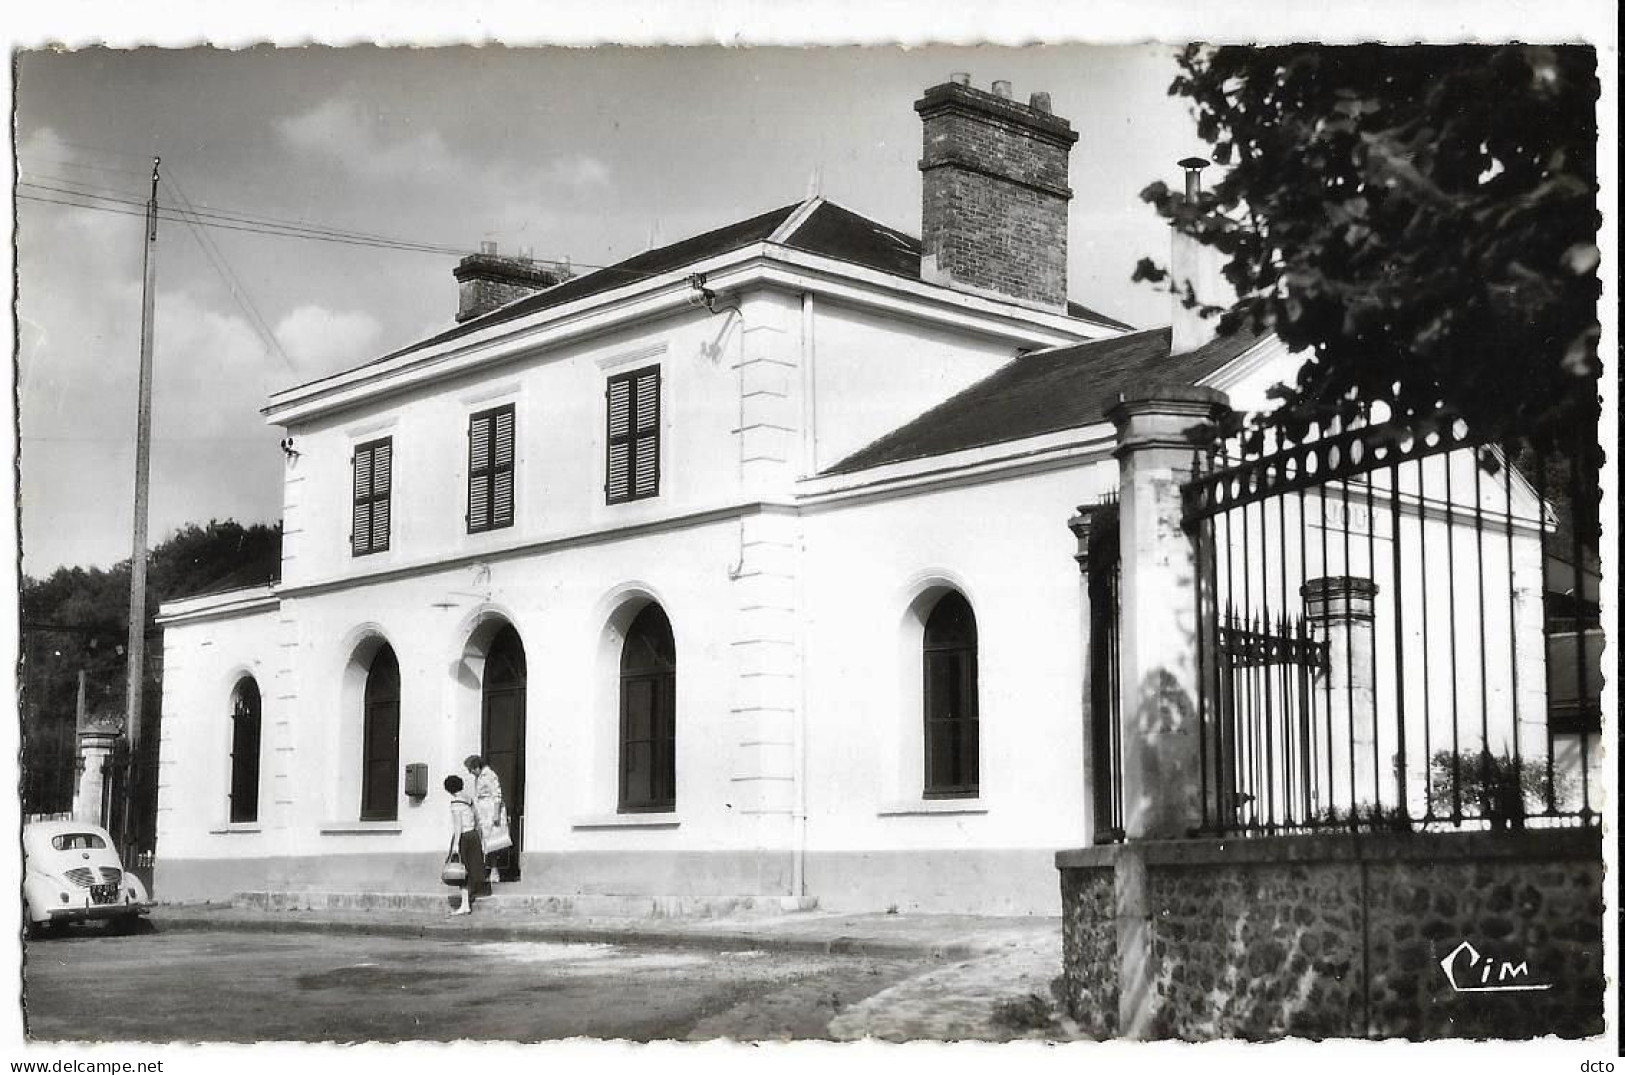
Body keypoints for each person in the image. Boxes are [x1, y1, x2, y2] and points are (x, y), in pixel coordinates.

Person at [443, 774, 482, 916]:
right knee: (470, 869)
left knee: (461, 871)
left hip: (463, 837)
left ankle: (465, 905)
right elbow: (477, 818)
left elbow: (457, 826)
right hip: (473, 835)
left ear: (449, 789)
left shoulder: (455, 803)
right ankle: (467, 901)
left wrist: (455, 846)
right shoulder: (468, 799)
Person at [464, 754, 506, 881]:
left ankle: (494, 871)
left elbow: (497, 794)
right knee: (484, 841)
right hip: (482, 811)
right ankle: (485, 871)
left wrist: (496, 814)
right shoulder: (479, 777)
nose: (470, 772)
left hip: (490, 810)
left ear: (477, 766)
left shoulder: (489, 775)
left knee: (493, 842)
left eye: (471, 769)